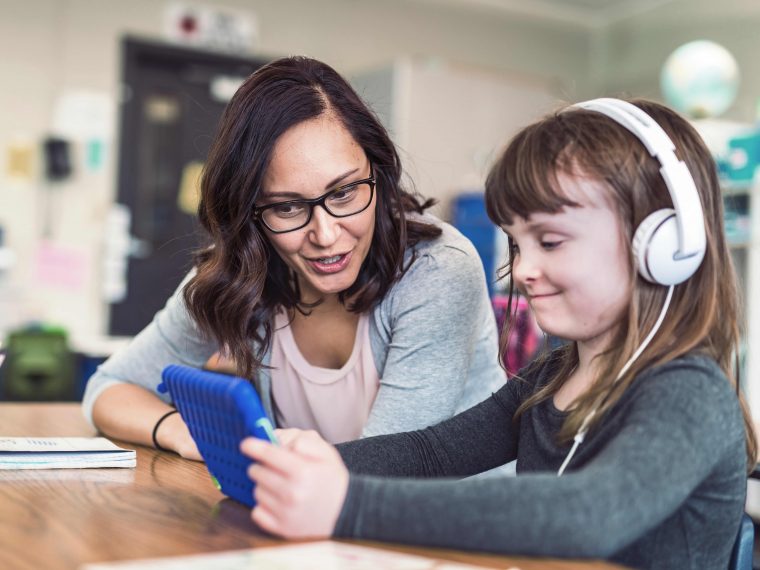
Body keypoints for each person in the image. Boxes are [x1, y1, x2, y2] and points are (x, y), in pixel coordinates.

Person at [241, 98, 758, 569]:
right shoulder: (555, 376)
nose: (524, 269)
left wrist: (347, 506)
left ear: (663, 246)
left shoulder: (690, 392)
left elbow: (588, 515)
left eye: (550, 241)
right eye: (517, 244)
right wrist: (306, 460)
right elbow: (434, 454)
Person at [82, 56, 505, 458]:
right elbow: (110, 388)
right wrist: (183, 430)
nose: (325, 235)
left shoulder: (437, 269)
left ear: (378, 172)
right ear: (249, 214)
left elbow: (386, 468)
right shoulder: (242, 273)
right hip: (315, 519)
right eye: (287, 207)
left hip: (448, 530)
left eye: (343, 193)